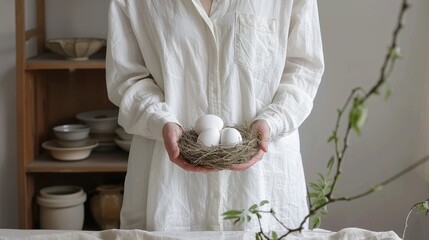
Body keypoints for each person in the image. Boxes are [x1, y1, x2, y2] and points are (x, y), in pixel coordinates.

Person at [106, 0, 324, 231]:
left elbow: (303, 68)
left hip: (261, 184)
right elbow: (127, 77)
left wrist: (273, 120)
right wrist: (160, 119)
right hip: (171, 187)